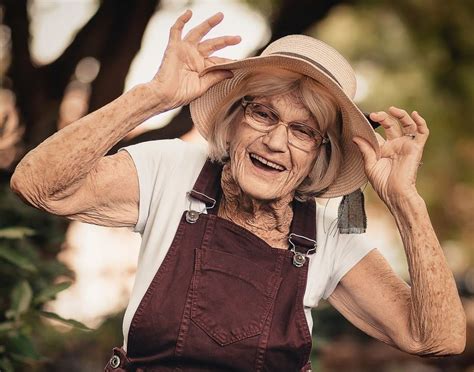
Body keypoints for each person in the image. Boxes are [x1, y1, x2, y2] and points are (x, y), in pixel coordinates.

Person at [10, 10, 465, 372]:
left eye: (303, 131)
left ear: (319, 154)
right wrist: (152, 97)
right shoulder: (173, 169)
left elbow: (438, 339)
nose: (275, 141)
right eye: (263, 114)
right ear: (235, 117)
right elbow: (36, 185)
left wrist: (406, 201)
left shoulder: (331, 236)